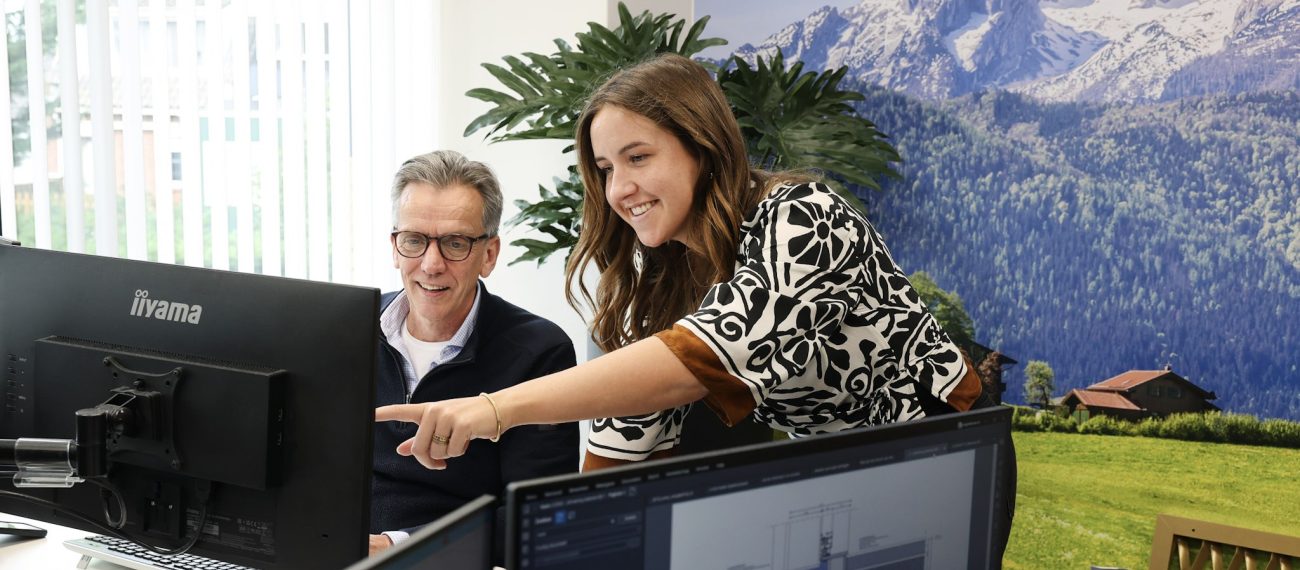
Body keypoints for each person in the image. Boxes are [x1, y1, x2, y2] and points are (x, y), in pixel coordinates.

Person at [376, 54, 989, 463]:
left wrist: (494, 409)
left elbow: (701, 358)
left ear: (703, 146)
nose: (619, 189)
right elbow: (630, 426)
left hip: (943, 442)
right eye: (606, 168)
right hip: (837, 464)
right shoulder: (667, 272)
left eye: (638, 157)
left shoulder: (803, 219)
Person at [368, 150, 580, 556]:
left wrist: (399, 546)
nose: (431, 264)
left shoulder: (540, 351)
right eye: (414, 240)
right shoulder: (349, 328)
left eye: (455, 243)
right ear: (395, 247)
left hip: (449, 559)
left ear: (489, 254)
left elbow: (537, 515)